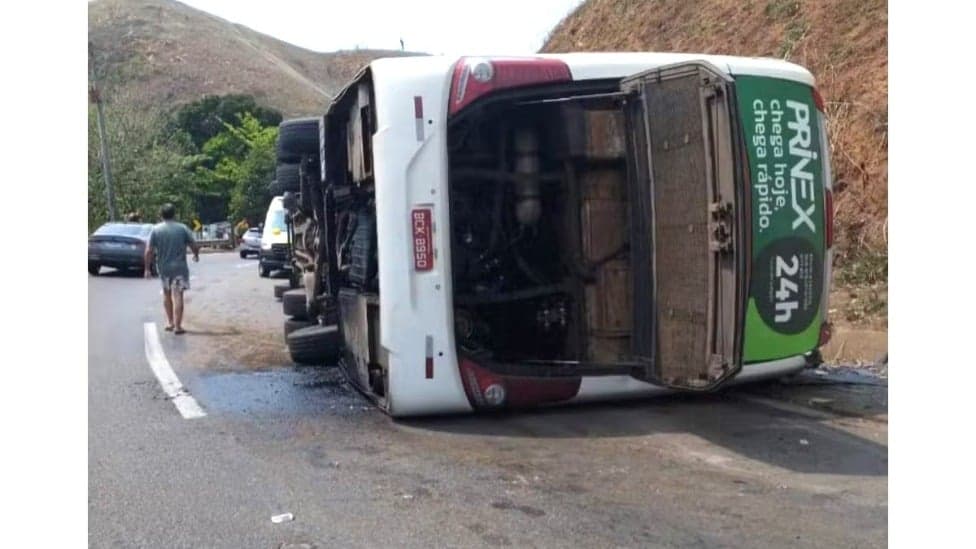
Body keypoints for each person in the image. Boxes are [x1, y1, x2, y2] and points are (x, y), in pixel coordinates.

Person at [144, 204, 200, 334]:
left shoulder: (156, 230)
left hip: (164, 268)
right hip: (180, 268)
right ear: (174, 214)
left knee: (167, 293)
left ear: (161, 215)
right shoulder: (182, 228)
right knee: (178, 294)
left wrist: (147, 268)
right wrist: (196, 255)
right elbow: (194, 245)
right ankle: (178, 326)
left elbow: (149, 251)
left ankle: (169, 322)